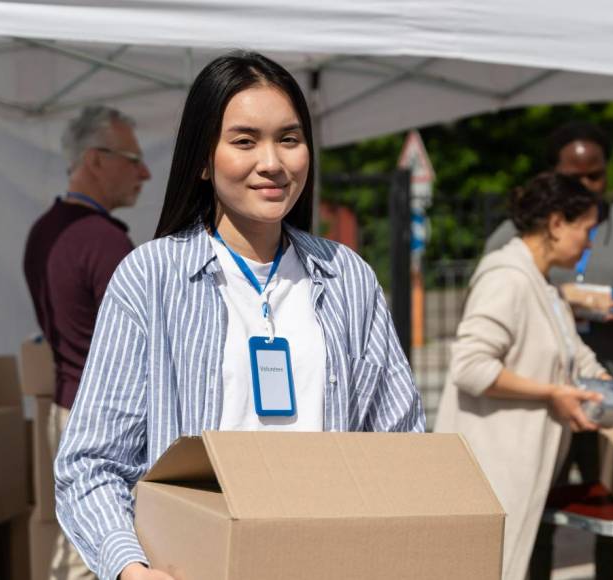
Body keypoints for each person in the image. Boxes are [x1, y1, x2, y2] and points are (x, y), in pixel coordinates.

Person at [53, 51, 424, 580]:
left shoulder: (348, 278)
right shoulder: (152, 277)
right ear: (203, 159)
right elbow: (90, 463)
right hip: (194, 564)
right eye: (245, 141)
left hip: (329, 561)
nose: (272, 162)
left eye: (289, 139)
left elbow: (400, 442)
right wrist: (130, 568)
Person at [436, 172, 613, 580]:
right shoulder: (505, 279)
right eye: (586, 230)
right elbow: (470, 367)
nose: (590, 242)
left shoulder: (544, 289)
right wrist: (550, 394)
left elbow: (587, 369)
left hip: (518, 471)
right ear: (556, 224)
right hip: (490, 472)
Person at [23, 105, 151, 580]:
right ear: (95, 160)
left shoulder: (43, 232)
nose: (145, 172)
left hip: (65, 407)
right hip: (102, 422)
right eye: (132, 159)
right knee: (98, 553)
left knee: (75, 545)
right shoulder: (103, 242)